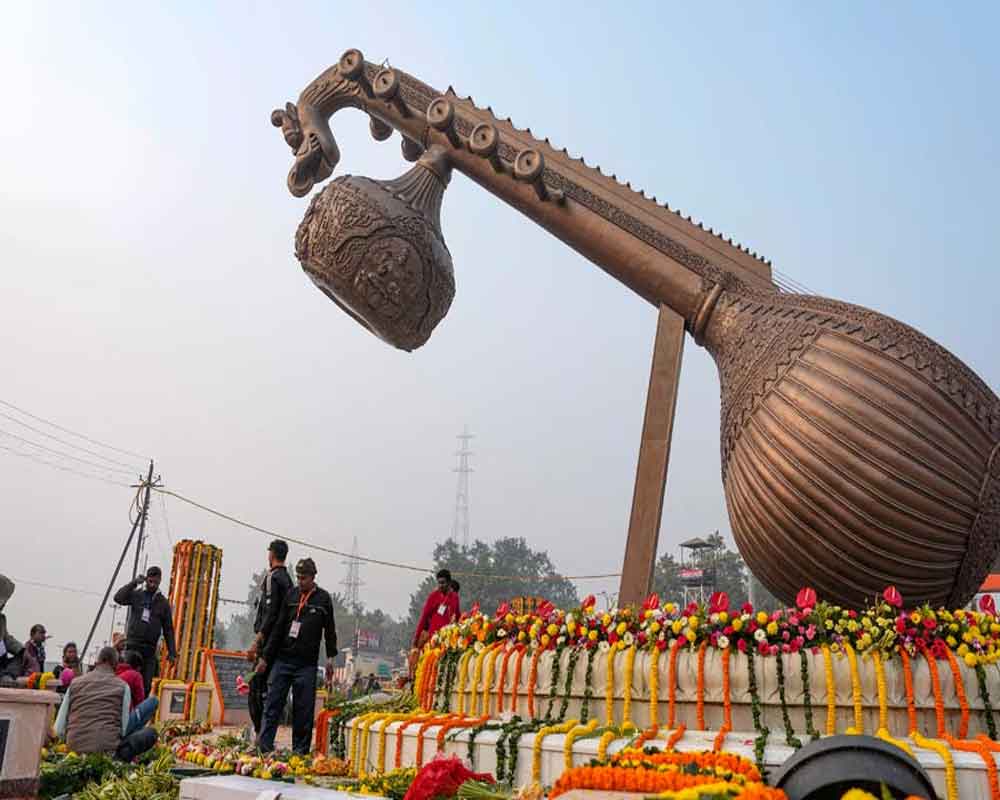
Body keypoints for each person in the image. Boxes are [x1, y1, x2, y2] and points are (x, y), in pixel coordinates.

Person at [256, 558, 337, 754]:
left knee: (303, 710)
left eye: (304, 578)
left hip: (306, 665)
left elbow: (330, 631)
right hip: (283, 660)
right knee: (273, 704)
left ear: (313, 577)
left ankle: (300, 752)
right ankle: (264, 747)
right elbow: (278, 629)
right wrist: (265, 658)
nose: (301, 581)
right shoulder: (291, 595)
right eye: (299, 577)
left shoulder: (323, 599)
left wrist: (330, 658)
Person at [53, 646, 158, 760]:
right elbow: (123, 729)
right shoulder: (122, 686)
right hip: (109, 753)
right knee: (151, 724)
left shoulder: (75, 684)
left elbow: (58, 729)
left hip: (74, 750)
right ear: (115, 665)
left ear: (97, 662)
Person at [247, 539, 292, 737]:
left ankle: (260, 734)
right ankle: (264, 736)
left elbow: (272, 615)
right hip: (282, 645)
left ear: (272, 554)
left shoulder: (274, 578)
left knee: (256, 690)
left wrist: (258, 641)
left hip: (269, 644)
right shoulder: (288, 581)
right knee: (270, 693)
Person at [113, 566, 176, 695]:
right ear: (147, 579)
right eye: (151, 580)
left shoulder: (163, 603)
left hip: (149, 651)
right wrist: (134, 583)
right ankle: (125, 710)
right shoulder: (137, 594)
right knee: (127, 682)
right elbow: (118, 598)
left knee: (145, 686)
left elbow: (168, 629)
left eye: (156, 582)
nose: (153, 584)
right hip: (132, 646)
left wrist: (172, 652)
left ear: (159, 581)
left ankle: (140, 712)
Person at [412, 569, 461, 649]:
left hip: (449, 641)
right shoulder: (433, 597)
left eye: (443, 583)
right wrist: (416, 639)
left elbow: (458, 616)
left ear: (449, 583)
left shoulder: (455, 597)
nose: (440, 585)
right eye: (439, 583)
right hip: (433, 640)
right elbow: (423, 618)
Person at [0, 575, 24, 681]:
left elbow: (7, 639)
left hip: (2, 663)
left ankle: (6, 676)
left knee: (22, 656)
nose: (4, 604)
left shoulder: (1, 619)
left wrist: (22, 650)